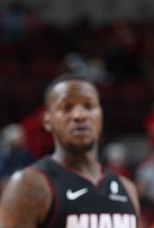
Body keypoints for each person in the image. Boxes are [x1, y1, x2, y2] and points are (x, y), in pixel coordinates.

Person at [0, 74, 140, 228]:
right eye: (67, 107)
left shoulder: (127, 188)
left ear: (100, 114)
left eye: (88, 106)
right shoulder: (29, 185)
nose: (79, 115)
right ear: (47, 121)